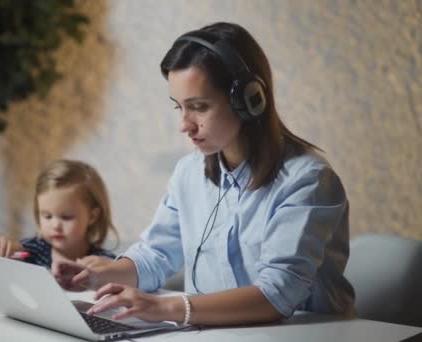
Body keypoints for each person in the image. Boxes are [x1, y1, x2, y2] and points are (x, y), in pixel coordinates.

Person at [52, 22, 355, 326]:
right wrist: (97, 275)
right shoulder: (189, 172)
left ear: (250, 100)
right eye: (179, 107)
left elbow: (276, 295)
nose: (185, 124)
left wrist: (168, 308)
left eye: (198, 107)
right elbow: (155, 255)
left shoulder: (308, 180)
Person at [0, 159, 117, 268]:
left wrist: (109, 271)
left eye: (66, 217)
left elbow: (124, 277)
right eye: (47, 216)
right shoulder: (35, 250)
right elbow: (12, 249)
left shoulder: (102, 261)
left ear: (92, 216)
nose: (55, 225)